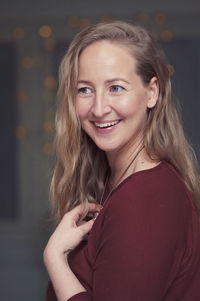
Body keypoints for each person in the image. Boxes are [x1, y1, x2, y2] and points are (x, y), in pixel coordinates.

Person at [43, 21, 200, 301]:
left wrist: (55, 258)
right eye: (85, 90)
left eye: (115, 87)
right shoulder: (119, 183)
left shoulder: (146, 197)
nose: (99, 108)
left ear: (151, 92)